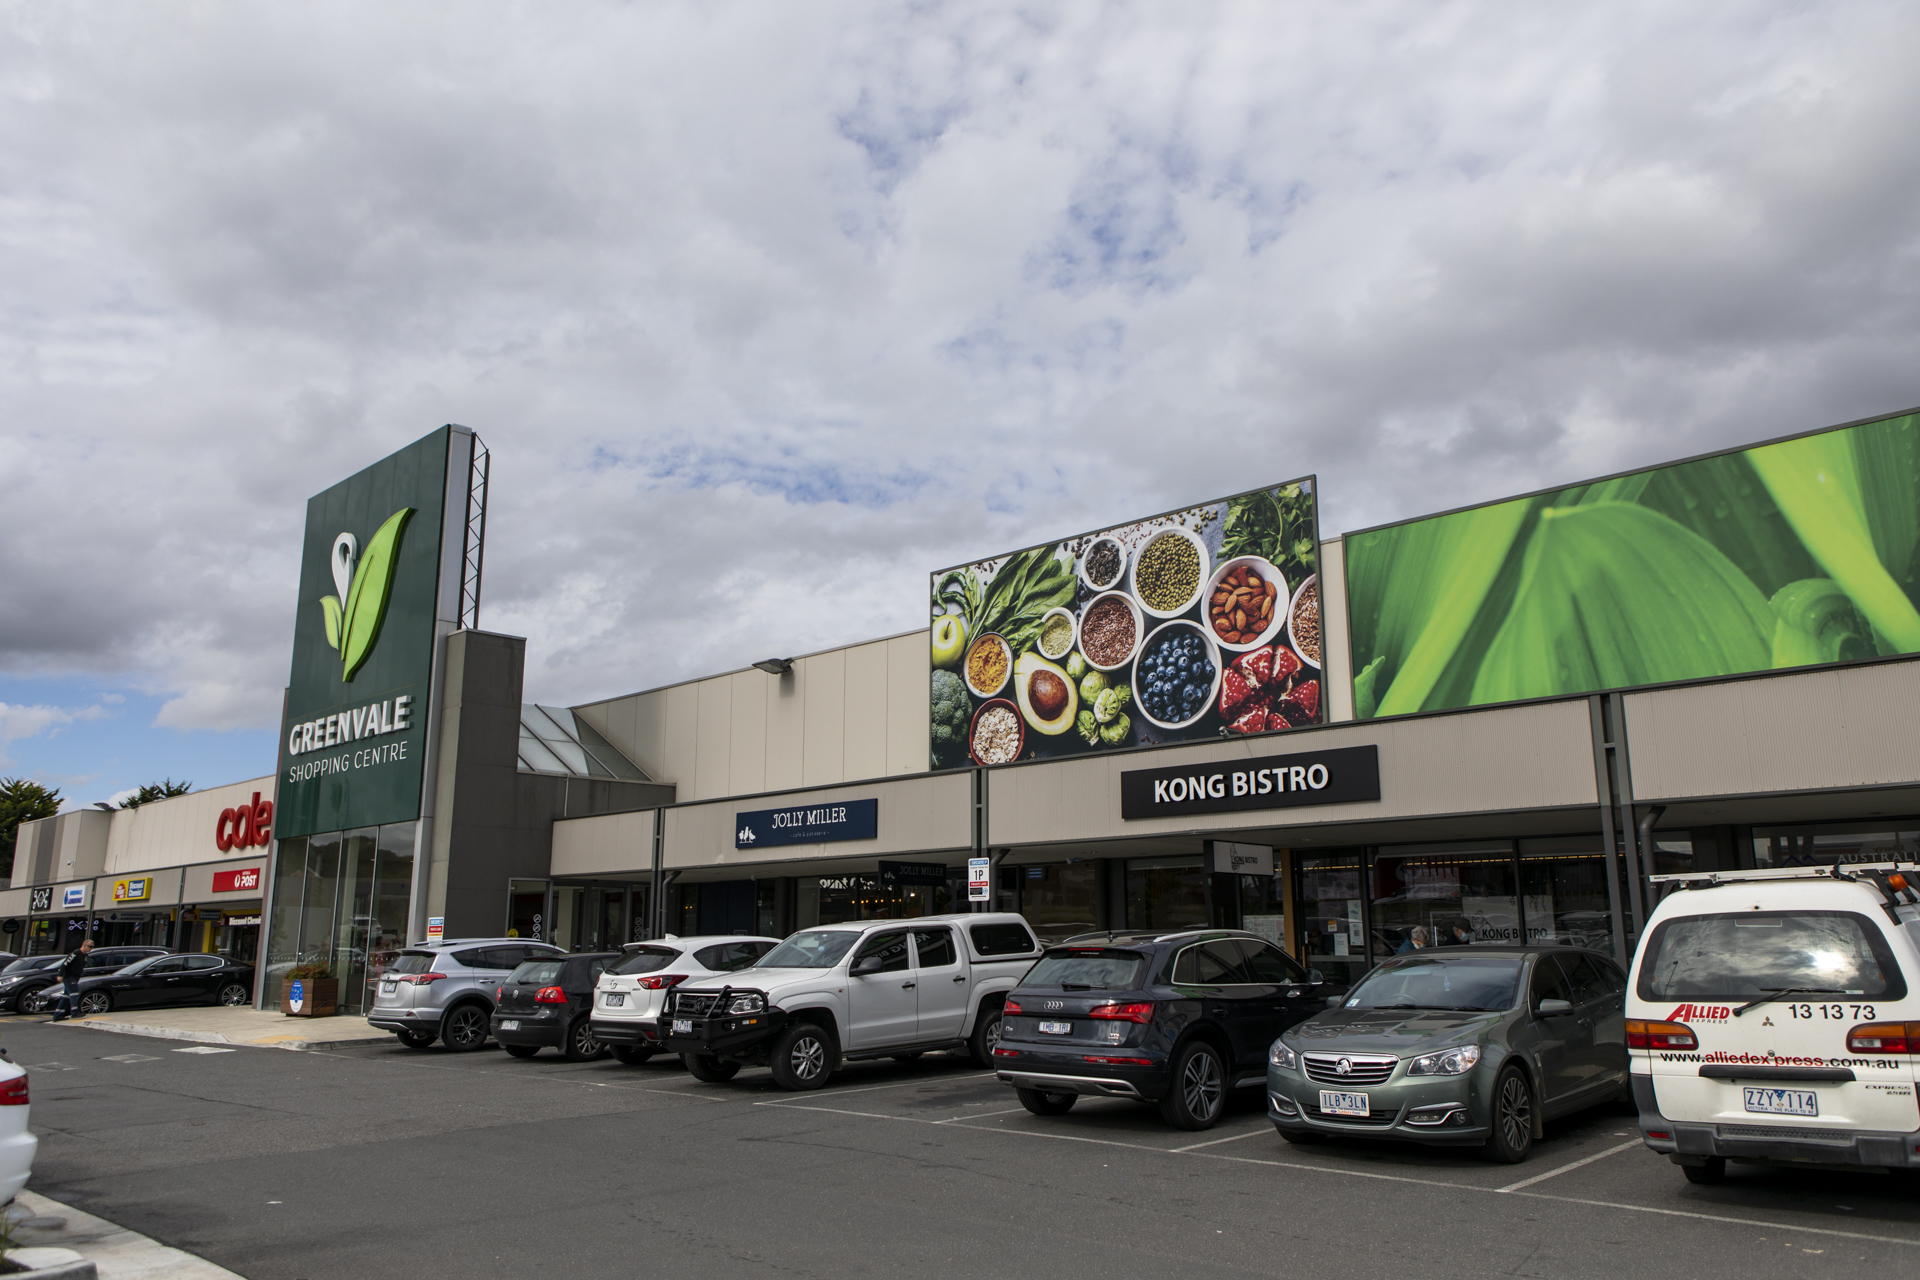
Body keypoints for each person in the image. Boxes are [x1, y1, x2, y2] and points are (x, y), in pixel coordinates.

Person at [47, 939, 93, 1022]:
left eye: (92, 947)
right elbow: (65, 964)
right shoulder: (75, 953)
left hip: (76, 977)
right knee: (75, 993)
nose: (91, 949)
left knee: (66, 996)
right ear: (84, 945)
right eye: (90, 946)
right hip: (69, 977)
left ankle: (57, 1015)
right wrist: (61, 975)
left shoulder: (85, 956)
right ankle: (74, 1012)